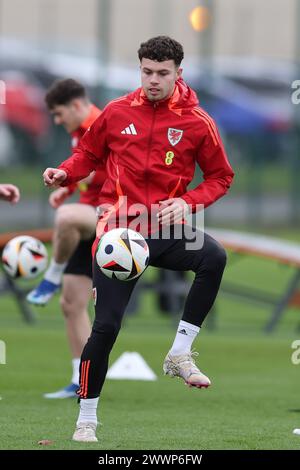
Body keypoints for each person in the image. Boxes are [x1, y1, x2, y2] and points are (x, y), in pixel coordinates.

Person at [43, 36, 234, 442]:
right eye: (146, 71)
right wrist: (65, 172)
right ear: (140, 69)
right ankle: (87, 419)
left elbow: (221, 176)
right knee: (107, 327)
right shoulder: (115, 112)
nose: (153, 80)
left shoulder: (198, 122)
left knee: (213, 257)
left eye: (162, 73)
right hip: (119, 232)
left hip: (164, 228)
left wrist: (188, 202)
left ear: (178, 73)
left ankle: (180, 352)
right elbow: (89, 156)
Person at [27, 79, 106, 399]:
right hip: (89, 219)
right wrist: (68, 187)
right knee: (72, 303)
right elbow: (86, 167)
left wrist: (71, 186)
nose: (57, 122)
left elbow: (110, 170)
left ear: (76, 106)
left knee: (67, 217)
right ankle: (80, 382)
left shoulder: (102, 126)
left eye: (59, 114)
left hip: (112, 215)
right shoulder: (79, 132)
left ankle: (51, 276)